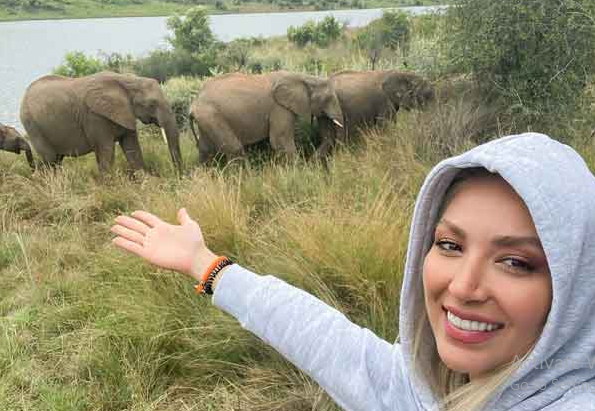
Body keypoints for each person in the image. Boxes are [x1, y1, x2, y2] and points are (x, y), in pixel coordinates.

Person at [110, 132, 595, 410]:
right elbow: (324, 337)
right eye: (449, 244)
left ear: (576, 285)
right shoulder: (423, 392)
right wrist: (205, 264)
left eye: (515, 262)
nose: (463, 286)